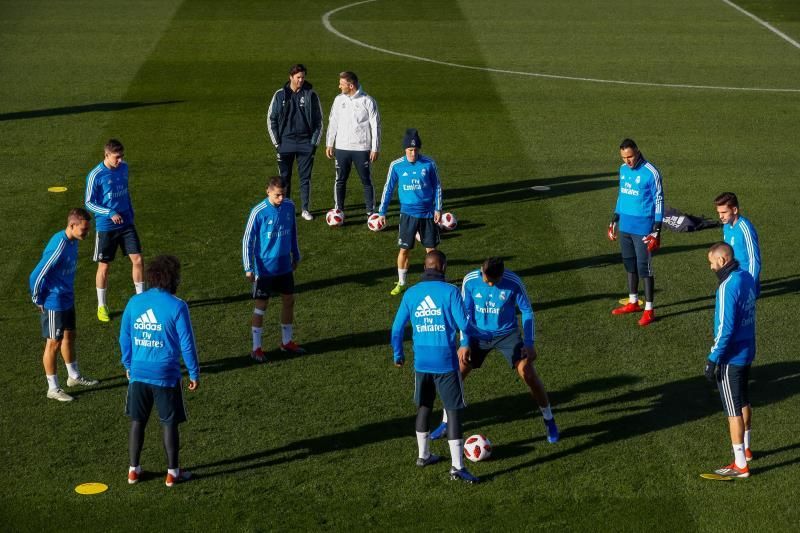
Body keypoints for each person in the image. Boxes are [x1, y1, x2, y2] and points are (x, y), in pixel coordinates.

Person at [430, 257, 559, 443]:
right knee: (457, 374)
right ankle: (445, 421)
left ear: (502, 275)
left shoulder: (513, 282)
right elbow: (464, 312)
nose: (489, 283)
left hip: (507, 334)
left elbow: (527, 310)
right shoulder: (470, 280)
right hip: (477, 334)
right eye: (486, 279)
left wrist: (529, 343)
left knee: (527, 372)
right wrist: (465, 342)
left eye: (493, 281)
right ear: (482, 270)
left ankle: (549, 420)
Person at [391, 250, 480, 484]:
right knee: (453, 412)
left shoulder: (410, 294)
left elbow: (396, 329)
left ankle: (423, 455)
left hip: (422, 363)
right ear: (443, 267)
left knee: (424, 407)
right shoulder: (450, 292)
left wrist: (398, 353)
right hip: (446, 364)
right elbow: (465, 325)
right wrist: (465, 345)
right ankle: (458, 467)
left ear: (425, 268)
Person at [120, 255, 200, 487]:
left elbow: (124, 336)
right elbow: (187, 343)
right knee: (169, 423)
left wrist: (128, 365)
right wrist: (193, 373)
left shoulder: (135, 302)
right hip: (165, 375)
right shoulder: (177, 306)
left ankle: (133, 470)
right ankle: (172, 473)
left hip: (138, 372)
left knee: (137, 421)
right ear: (172, 278)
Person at [29, 208, 99, 402]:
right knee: (53, 343)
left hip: (67, 297)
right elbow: (36, 274)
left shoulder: (73, 241)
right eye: (84, 229)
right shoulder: (59, 245)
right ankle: (53, 388)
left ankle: (74, 376)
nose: (86, 233)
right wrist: (37, 298)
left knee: (70, 336)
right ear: (72, 225)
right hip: (54, 301)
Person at [703, 242, 757, 478]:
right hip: (747, 351)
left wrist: (713, 358)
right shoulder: (745, 277)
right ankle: (746, 450)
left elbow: (725, 329)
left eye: (711, 262)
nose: (711, 267)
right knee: (743, 400)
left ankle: (740, 465)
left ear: (722, 261)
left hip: (731, 357)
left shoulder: (727, 287)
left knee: (732, 409)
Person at [242, 176, 305, 361]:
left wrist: (296, 254)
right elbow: (248, 240)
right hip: (265, 268)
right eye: (277, 195)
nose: (280, 199)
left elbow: (293, 232)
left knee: (289, 300)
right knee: (261, 305)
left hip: (284, 264)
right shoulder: (258, 212)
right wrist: (248, 267)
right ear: (268, 191)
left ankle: (286, 342)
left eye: (283, 195)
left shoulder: (289, 206)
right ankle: (256, 348)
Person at [84, 138, 144, 322]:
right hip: (106, 227)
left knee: (138, 259)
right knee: (104, 266)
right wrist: (109, 212)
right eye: (117, 157)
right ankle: (102, 306)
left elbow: (126, 192)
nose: (120, 160)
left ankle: (141, 300)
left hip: (126, 224)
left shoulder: (124, 168)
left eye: (122, 156)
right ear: (106, 155)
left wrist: (130, 213)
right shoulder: (95, 175)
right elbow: (88, 202)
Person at [377, 128, 442, 296]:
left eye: (415, 150)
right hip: (407, 215)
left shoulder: (429, 164)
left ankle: (435, 282)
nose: (413, 153)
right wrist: (382, 212)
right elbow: (388, 188)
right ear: (405, 149)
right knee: (404, 250)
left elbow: (437, 187)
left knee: (431, 251)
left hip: (427, 214)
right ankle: (402, 282)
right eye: (410, 150)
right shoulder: (396, 165)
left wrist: (438, 208)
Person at [607, 138, 664, 326]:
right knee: (629, 264)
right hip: (626, 226)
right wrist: (615, 218)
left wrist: (656, 229)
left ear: (637, 152)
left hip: (643, 228)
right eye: (624, 157)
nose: (627, 161)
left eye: (630, 156)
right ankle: (633, 301)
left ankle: (649, 309)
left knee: (644, 268)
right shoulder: (623, 170)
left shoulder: (651, 172)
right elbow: (621, 195)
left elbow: (659, 200)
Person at [267, 64, 324, 221]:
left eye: (303, 77)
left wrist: (314, 144)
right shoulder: (280, 95)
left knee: (305, 178)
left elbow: (319, 121)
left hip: (305, 143)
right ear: (290, 77)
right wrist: (277, 144)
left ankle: (305, 209)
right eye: (298, 77)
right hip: (285, 143)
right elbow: (271, 119)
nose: (301, 80)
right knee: (284, 179)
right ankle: (286, 208)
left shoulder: (311, 94)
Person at [325, 71, 381, 217]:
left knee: (366, 180)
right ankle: (339, 209)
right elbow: (333, 122)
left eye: (341, 84)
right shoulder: (338, 100)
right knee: (340, 180)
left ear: (350, 85)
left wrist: (375, 148)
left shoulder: (368, 101)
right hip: (342, 148)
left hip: (361, 149)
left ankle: (370, 211)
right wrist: (330, 143)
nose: (339, 86)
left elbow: (375, 126)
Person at [714, 192, 761, 296]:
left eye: (724, 212)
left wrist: (750, 284)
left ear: (734, 210)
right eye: (719, 213)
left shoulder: (745, 229)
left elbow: (754, 260)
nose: (721, 216)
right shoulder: (726, 226)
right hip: (733, 276)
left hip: (746, 279)